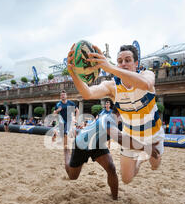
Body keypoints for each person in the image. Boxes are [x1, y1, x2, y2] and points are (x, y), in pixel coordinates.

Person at [67, 43, 164, 184]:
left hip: (153, 134)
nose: (123, 64)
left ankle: (144, 157)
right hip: (130, 136)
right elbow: (87, 93)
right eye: (120, 61)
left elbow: (147, 85)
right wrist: (72, 73)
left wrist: (110, 67)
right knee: (126, 179)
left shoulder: (146, 75)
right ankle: (139, 159)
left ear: (136, 63)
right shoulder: (112, 86)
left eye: (128, 60)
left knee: (155, 166)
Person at [63, 109, 160, 200]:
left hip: (97, 144)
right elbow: (121, 139)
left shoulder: (113, 120)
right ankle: (66, 152)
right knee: (73, 176)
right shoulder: (109, 119)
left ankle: (115, 199)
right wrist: (146, 147)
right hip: (82, 144)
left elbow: (127, 137)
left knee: (111, 168)